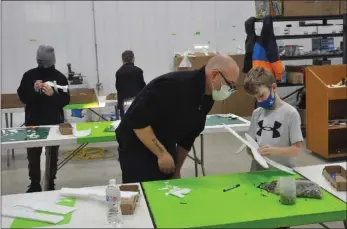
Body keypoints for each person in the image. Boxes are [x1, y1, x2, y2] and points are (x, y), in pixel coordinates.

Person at [115, 54, 240, 183]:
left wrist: (177, 169)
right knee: (143, 192)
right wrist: (162, 154)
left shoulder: (207, 98)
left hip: (165, 141)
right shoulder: (173, 85)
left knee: (167, 187)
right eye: (229, 84)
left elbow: (188, 138)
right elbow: (137, 119)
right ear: (214, 75)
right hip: (136, 143)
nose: (230, 90)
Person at [17, 45, 70, 192]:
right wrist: (34, 90)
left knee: (52, 156)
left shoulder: (60, 77)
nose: (44, 65)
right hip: (33, 122)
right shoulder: (29, 76)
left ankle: (50, 183)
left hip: (54, 123)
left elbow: (65, 100)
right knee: (33, 156)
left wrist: (53, 95)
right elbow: (23, 97)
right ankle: (34, 184)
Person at [244, 67, 303, 172]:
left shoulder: (291, 114)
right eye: (256, 98)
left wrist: (274, 151)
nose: (259, 101)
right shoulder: (257, 113)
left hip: (282, 171)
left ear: (274, 87)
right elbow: (251, 142)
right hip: (258, 170)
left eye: (261, 96)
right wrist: (250, 149)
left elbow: (296, 150)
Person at [115, 50, 146, 118]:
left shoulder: (119, 72)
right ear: (133, 58)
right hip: (137, 104)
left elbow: (118, 88)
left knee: (125, 125)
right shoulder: (138, 71)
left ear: (122, 59)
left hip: (123, 104)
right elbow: (143, 87)